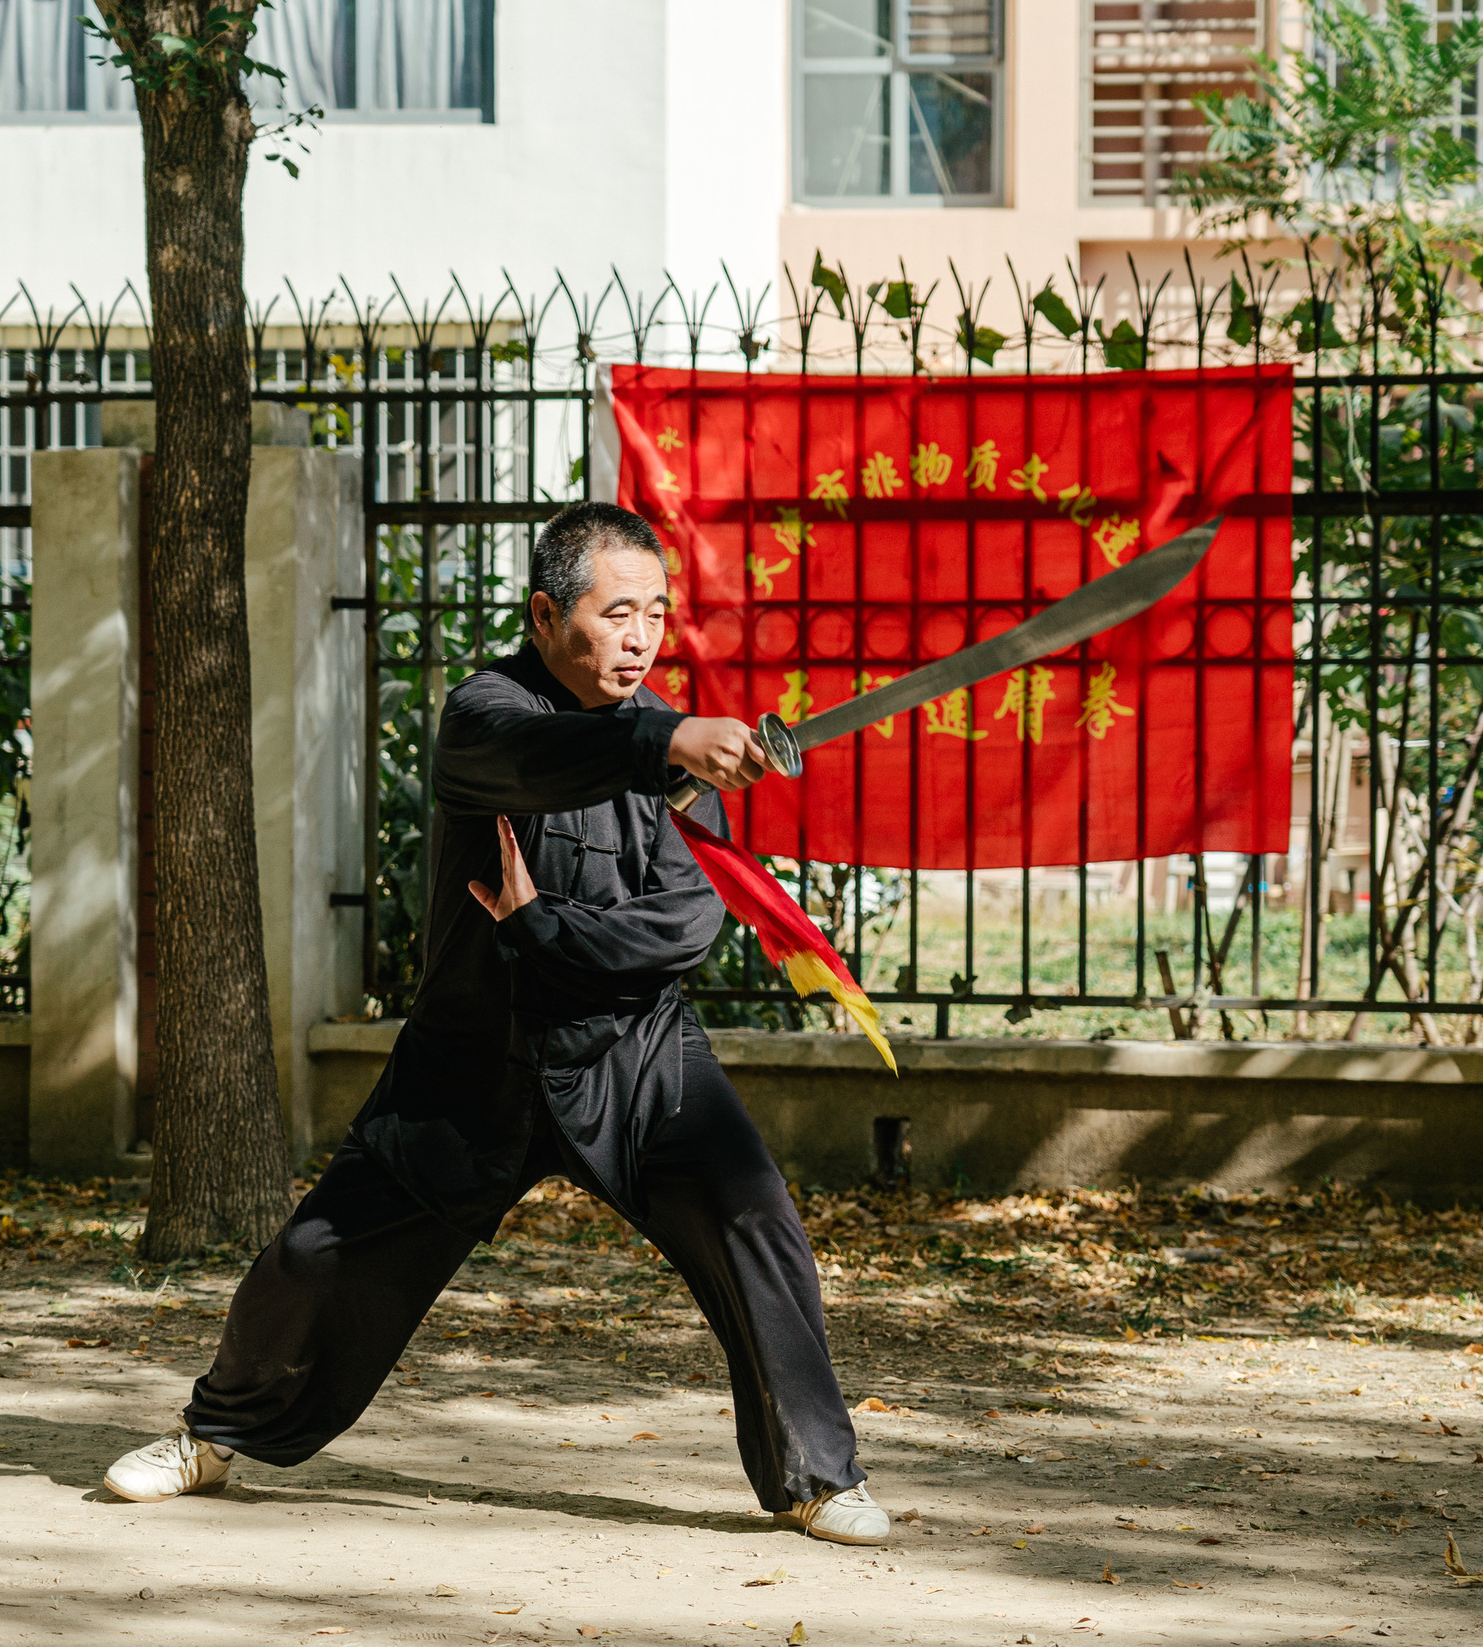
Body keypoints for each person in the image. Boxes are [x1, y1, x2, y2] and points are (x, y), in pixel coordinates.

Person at [100, 503, 890, 1547]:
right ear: (546, 615)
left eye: (656, 612)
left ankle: (817, 1477)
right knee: (321, 1253)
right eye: (616, 613)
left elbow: (686, 922)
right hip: (473, 1059)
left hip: (635, 1056)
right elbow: (534, 757)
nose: (641, 637)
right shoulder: (487, 714)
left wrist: (541, 926)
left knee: (756, 1217)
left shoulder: (673, 752)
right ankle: (213, 1434)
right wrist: (664, 744)